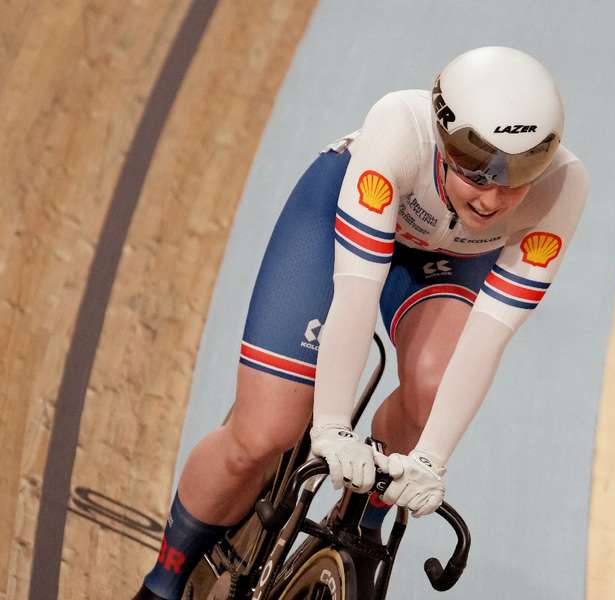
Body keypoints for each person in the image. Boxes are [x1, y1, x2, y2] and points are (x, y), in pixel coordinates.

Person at [133, 46, 588, 599]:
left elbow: (489, 336)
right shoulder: (401, 126)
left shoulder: (563, 188)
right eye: (478, 173)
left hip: (446, 257)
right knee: (263, 435)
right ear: (444, 140)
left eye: (516, 180)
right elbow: (355, 294)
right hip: (337, 222)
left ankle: (358, 518)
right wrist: (328, 426)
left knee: (433, 391)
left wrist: (429, 460)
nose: (493, 199)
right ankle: (162, 583)